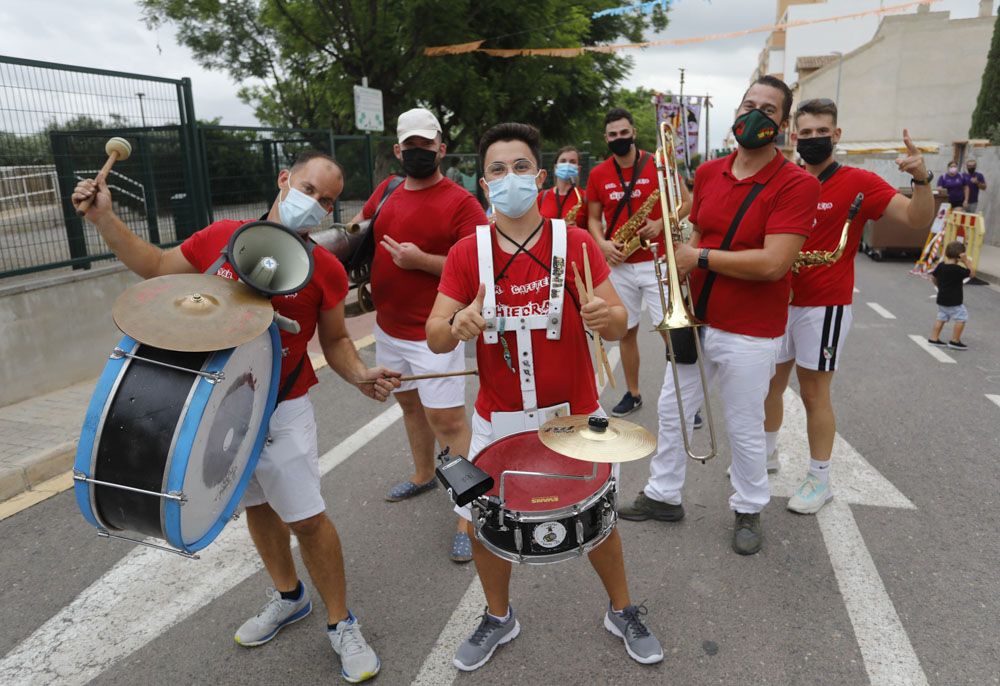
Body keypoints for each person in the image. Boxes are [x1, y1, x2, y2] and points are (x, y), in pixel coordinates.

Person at [72, 150, 401, 683]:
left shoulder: (328, 269)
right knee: (257, 505)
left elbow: (337, 339)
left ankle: (342, 623)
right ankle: (289, 596)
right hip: (222, 407)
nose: (315, 203)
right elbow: (156, 267)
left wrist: (361, 374)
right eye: (309, 188)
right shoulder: (222, 236)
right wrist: (105, 218)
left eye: (328, 200)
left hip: (285, 404)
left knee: (308, 516)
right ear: (284, 179)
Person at [426, 122, 663, 670]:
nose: (511, 178)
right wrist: (458, 322)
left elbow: (616, 320)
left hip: (578, 416)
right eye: (497, 170)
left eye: (521, 167)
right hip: (499, 420)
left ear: (540, 174)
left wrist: (608, 315)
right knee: (486, 520)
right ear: (484, 184)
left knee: (598, 516)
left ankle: (621, 608)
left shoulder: (575, 242)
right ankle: (497, 615)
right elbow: (436, 335)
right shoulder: (467, 254)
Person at [618, 75, 821, 556]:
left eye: (768, 109)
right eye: (748, 105)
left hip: (750, 330)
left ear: (784, 124)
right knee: (671, 409)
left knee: (744, 423)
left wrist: (698, 258)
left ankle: (749, 506)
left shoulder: (795, 184)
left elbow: (774, 263)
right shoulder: (710, 172)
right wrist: (663, 231)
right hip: (694, 317)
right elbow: (691, 222)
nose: (754, 115)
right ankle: (664, 495)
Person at [761, 98, 935, 515]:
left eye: (823, 132)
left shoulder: (860, 181)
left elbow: (916, 220)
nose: (814, 139)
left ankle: (820, 480)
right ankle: (766, 456)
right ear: (794, 137)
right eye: (806, 133)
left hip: (824, 306)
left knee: (813, 392)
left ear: (836, 135)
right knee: (768, 384)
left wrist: (923, 179)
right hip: (776, 301)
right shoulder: (783, 179)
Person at [349, 108, 487, 563]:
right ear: (397, 151)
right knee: (409, 404)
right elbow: (363, 231)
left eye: (425, 146)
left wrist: (421, 260)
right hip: (387, 328)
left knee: (449, 422)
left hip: (435, 333)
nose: (417, 153)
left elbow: (480, 267)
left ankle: (469, 515)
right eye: (409, 146)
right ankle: (425, 472)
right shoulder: (387, 191)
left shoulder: (462, 203)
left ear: (441, 149)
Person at [586, 107, 691, 418]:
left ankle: (687, 399)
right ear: (606, 138)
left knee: (670, 331)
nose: (619, 138)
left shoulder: (659, 164)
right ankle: (633, 394)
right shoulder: (598, 174)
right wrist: (602, 244)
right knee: (626, 332)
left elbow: (687, 202)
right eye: (613, 134)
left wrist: (660, 223)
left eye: (624, 132)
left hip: (657, 259)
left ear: (633, 132)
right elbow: (593, 218)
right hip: (619, 264)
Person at [929, 240, 975, 350]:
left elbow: (933, 278)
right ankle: (955, 341)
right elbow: (972, 274)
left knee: (941, 318)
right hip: (954, 301)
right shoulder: (958, 269)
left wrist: (939, 287)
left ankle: (934, 338)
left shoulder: (941, 266)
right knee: (961, 318)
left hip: (942, 298)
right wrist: (966, 261)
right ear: (960, 255)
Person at [538, 145, 587, 228]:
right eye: (563, 161)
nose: (567, 165)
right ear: (556, 167)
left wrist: (578, 231)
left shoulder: (585, 197)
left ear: (578, 169)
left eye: (572, 162)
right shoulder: (542, 196)